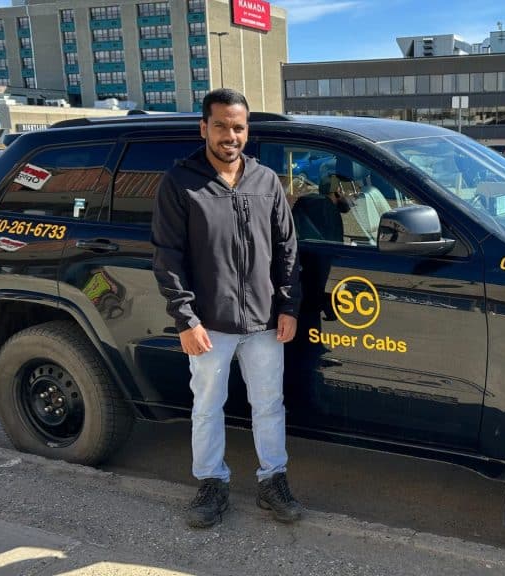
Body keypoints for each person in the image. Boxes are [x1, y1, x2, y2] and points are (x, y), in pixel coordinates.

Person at [151, 88, 303, 529]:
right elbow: (167, 256)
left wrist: (289, 305)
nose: (229, 135)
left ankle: (272, 480)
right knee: (207, 406)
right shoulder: (181, 182)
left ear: (246, 130)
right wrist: (186, 319)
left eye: (237, 127)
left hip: (264, 323)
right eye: (220, 126)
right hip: (209, 324)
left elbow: (287, 249)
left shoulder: (265, 181)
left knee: (269, 405)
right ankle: (212, 484)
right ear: (204, 128)